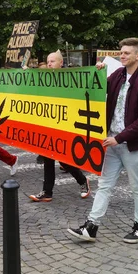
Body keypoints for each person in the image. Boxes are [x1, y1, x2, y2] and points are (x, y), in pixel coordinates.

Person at [68, 37, 138, 243]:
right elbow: (99, 89)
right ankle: (91, 226)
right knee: (104, 185)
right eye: (121, 52)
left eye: (127, 53)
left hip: (133, 144)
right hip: (113, 142)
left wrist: (119, 138)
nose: (122, 55)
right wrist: (98, 72)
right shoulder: (118, 75)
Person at [29, 51, 90, 200]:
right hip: (48, 125)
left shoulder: (69, 79)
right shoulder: (44, 79)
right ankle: (47, 192)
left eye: (53, 61)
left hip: (65, 126)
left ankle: (83, 181)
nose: (49, 64)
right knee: (48, 159)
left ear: (61, 63)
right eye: (48, 61)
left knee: (64, 160)